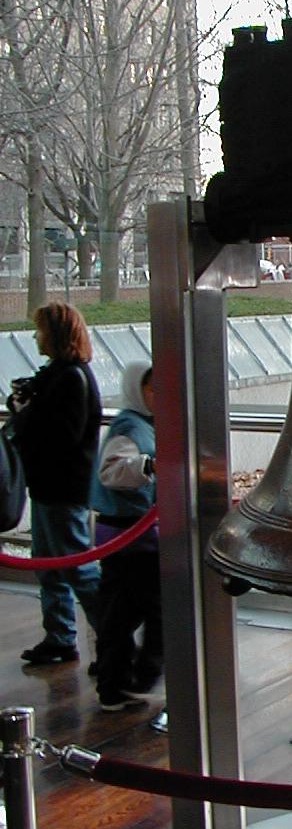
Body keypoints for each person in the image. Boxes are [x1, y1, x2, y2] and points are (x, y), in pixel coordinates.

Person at [10, 302, 102, 665]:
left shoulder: (66, 379)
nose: (36, 336)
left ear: (54, 334)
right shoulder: (67, 376)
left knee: (75, 567)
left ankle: (108, 640)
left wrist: (24, 414)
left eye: (40, 330)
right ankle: (64, 637)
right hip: (57, 487)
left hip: (60, 489)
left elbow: (59, 436)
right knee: (52, 565)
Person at [89, 360, 162, 711]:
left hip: (130, 535)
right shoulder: (130, 428)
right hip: (131, 537)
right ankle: (134, 678)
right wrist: (147, 466)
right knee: (150, 609)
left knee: (120, 613)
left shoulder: (141, 425)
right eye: (153, 388)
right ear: (139, 390)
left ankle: (117, 682)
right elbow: (113, 471)